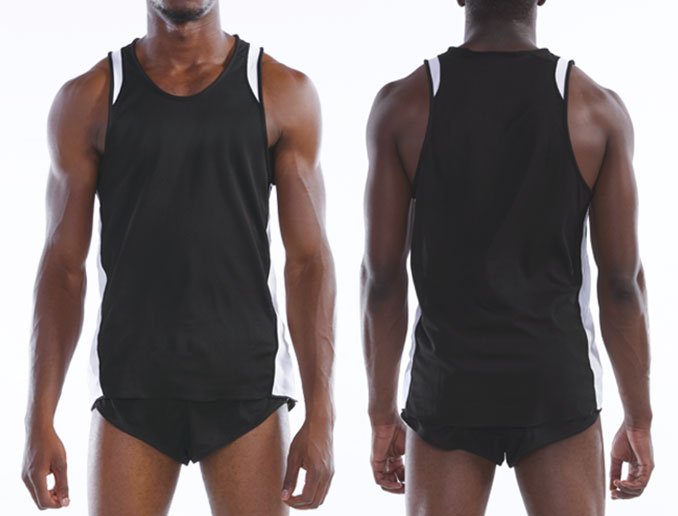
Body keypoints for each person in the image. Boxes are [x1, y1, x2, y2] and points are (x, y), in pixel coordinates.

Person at [21, 1, 336, 514]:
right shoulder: (89, 99)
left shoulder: (281, 91)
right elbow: (62, 271)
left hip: (246, 387)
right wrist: (38, 420)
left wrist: (322, 417)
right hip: (131, 389)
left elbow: (309, 264)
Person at [361, 0, 653, 514]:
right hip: (553, 382)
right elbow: (622, 285)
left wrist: (382, 414)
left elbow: (382, 280)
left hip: (449, 384)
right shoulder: (594, 108)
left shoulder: (404, 105)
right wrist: (639, 419)